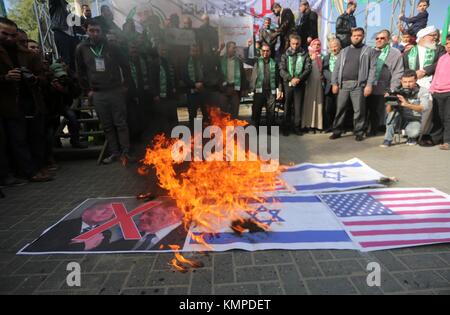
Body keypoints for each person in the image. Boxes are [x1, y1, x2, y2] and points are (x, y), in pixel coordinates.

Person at [0, 17, 52, 182]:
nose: (9, 38)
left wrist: (34, 79)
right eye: (4, 34)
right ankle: (29, 172)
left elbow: (44, 76)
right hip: (9, 104)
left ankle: (39, 167)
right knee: (18, 139)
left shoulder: (28, 54)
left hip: (32, 101)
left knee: (36, 136)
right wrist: (5, 78)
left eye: (13, 35)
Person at [75, 19, 133, 165]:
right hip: (98, 93)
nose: (95, 33)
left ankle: (126, 153)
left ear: (102, 31)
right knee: (107, 125)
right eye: (91, 30)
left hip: (115, 90)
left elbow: (126, 65)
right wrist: (87, 90)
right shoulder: (81, 48)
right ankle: (115, 153)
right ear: (86, 30)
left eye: (97, 31)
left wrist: (126, 84)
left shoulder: (112, 47)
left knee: (121, 123)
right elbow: (80, 71)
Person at [330, 28, 377, 142]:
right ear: (351, 37)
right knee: (340, 109)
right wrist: (334, 83)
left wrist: (369, 85)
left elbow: (372, 69)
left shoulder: (368, 50)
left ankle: (359, 132)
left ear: (363, 36)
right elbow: (336, 68)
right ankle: (337, 130)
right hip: (343, 85)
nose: (356, 37)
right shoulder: (344, 51)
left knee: (359, 110)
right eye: (354, 35)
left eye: (359, 35)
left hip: (358, 85)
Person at [24, 203, 116, 252]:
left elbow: (99, 252)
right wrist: (83, 245)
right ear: (86, 212)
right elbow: (42, 248)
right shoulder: (65, 225)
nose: (106, 213)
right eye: (102, 208)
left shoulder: (105, 233)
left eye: (110, 212)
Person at [107, 197, 187, 251]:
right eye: (143, 213)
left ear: (173, 215)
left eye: (150, 214)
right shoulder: (129, 238)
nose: (141, 218)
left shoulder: (186, 239)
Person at [366, 30, 404, 137]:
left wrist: (392, 89)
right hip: (370, 87)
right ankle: (372, 128)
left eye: (382, 38)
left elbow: (398, 72)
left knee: (385, 110)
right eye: (377, 38)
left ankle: (384, 129)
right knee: (372, 109)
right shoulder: (370, 51)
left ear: (388, 40)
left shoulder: (395, 53)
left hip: (386, 87)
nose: (379, 40)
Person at [381, 70, 431, 147]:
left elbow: (424, 108)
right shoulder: (397, 91)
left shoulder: (422, 91)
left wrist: (407, 104)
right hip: (400, 119)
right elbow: (388, 111)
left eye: (410, 82)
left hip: (413, 118)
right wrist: (389, 101)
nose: (407, 84)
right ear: (401, 81)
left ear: (416, 80)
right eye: (405, 82)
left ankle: (411, 137)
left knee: (413, 132)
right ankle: (388, 139)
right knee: (391, 115)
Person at [280, 34, 312, 136]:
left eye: (297, 43)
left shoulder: (305, 54)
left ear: (300, 43)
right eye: (293, 43)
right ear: (290, 43)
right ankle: (286, 127)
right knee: (287, 106)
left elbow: (308, 69)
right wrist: (291, 78)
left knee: (298, 107)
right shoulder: (285, 55)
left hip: (300, 84)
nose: (295, 45)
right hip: (288, 84)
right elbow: (281, 69)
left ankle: (296, 127)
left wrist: (299, 78)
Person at [248, 43, 283, 129]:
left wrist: (280, 90)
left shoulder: (274, 63)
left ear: (270, 52)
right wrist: (251, 90)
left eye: (267, 51)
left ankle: (269, 130)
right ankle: (255, 129)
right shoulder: (256, 62)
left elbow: (278, 78)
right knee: (256, 111)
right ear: (260, 51)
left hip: (271, 91)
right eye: (263, 51)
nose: (265, 53)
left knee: (271, 112)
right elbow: (253, 75)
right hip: (259, 91)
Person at [149, 43, 178, 134]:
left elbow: (176, 77)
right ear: (158, 51)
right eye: (162, 50)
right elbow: (152, 80)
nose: (164, 52)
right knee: (163, 117)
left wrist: (176, 89)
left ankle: (174, 134)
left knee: (173, 116)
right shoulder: (154, 63)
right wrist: (155, 94)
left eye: (165, 50)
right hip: (161, 96)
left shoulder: (170, 62)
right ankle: (165, 136)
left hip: (171, 95)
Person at [429, 35, 450, 150]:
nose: (449, 46)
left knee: (448, 117)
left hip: (449, 92)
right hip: (437, 92)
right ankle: (436, 139)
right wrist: (432, 89)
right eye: (447, 44)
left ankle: (448, 141)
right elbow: (436, 75)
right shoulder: (442, 58)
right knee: (438, 117)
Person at [182, 44, 209, 129]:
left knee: (206, 112)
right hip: (191, 91)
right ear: (190, 51)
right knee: (193, 113)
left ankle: (206, 132)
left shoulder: (202, 61)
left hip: (202, 90)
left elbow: (207, 74)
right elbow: (184, 76)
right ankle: (194, 133)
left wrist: (202, 83)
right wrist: (194, 84)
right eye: (193, 51)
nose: (195, 53)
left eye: (196, 51)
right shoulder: (185, 62)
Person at [49, 0, 79, 69]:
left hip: (71, 35)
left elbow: (71, 17)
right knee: (66, 60)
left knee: (74, 58)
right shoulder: (56, 3)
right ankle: (65, 77)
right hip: (61, 32)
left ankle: (75, 77)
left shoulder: (66, 4)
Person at [220, 42, 246, 118]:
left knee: (234, 113)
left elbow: (243, 75)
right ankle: (224, 129)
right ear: (228, 49)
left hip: (235, 89)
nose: (235, 50)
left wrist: (244, 89)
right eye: (233, 48)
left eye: (235, 48)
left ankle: (233, 129)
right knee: (224, 113)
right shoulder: (221, 60)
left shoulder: (239, 61)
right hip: (224, 89)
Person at [302, 38, 324, 132]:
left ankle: (317, 125)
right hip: (309, 83)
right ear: (311, 45)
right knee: (310, 103)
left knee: (319, 103)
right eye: (315, 44)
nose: (317, 46)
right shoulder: (308, 56)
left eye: (319, 44)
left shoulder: (322, 56)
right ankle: (308, 124)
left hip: (319, 84)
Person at [323, 38, 341, 132]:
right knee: (328, 108)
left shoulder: (343, 56)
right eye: (331, 47)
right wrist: (333, 80)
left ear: (339, 46)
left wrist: (337, 82)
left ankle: (338, 127)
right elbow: (325, 71)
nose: (333, 49)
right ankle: (329, 125)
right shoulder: (326, 57)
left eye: (335, 46)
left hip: (340, 87)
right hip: (329, 87)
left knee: (339, 108)